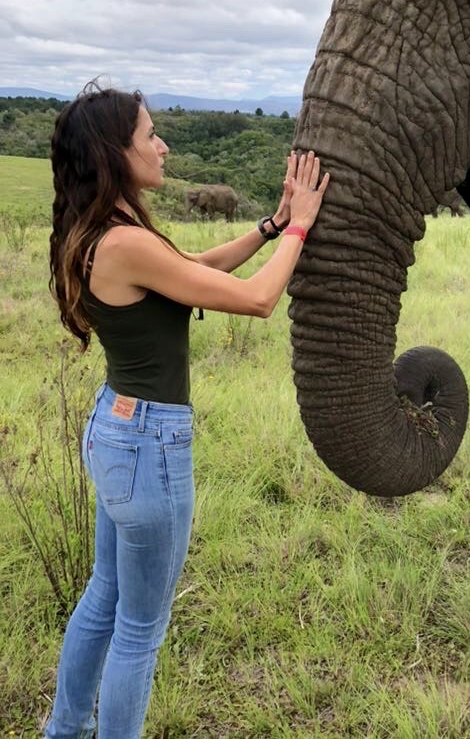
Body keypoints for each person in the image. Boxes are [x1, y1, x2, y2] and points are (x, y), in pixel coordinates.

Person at [45, 81, 328, 739]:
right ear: (117, 153)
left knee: (103, 596)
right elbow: (257, 299)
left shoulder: (104, 233)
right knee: (140, 632)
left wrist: (273, 224)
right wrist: (306, 223)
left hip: (114, 430)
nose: (163, 146)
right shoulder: (126, 243)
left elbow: (193, 267)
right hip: (149, 445)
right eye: (150, 135)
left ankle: (65, 731)